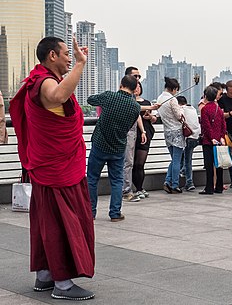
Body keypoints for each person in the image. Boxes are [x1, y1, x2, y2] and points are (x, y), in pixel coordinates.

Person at [10, 37, 95, 300]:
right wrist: (81, 65)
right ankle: (63, 284)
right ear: (52, 56)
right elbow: (58, 96)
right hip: (57, 168)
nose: (71, 57)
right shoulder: (46, 82)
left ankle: (45, 275)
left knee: (47, 221)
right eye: (68, 53)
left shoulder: (41, 79)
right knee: (63, 223)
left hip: (53, 165)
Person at [86, 75, 145, 221]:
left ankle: (90, 212)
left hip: (100, 144)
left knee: (92, 179)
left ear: (121, 84)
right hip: (118, 147)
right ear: (134, 89)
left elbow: (90, 100)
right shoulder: (135, 107)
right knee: (117, 180)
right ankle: (115, 213)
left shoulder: (109, 97)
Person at [157, 77, 185, 194]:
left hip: (167, 132)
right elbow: (179, 115)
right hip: (176, 132)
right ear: (173, 89)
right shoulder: (172, 100)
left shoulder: (160, 98)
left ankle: (168, 182)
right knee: (177, 160)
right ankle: (174, 185)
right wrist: (182, 110)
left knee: (174, 159)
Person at [199, 86, 226, 194]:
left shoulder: (205, 109)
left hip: (208, 141)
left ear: (205, 96)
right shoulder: (218, 109)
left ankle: (209, 188)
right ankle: (219, 186)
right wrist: (221, 137)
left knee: (209, 165)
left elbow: (206, 126)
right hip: (219, 140)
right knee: (218, 164)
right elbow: (223, 124)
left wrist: (211, 138)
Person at [122, 66, 144, 202]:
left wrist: (143, 131)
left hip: (133, 132)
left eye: (139, 77)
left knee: (128, 162)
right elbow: (136, 109)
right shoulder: (125, 97)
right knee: (126, 162)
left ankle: (126, 189)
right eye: (135, 77)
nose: (137, 80)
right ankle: (126, 191)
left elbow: (137, 114)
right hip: (125, 133)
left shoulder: (132, 97)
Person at [132, 81, 157, 199]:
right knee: (131, 163)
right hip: (132, 133)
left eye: (139, 87)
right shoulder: (129, 101)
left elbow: (153, 118)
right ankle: (134, 188)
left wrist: (150, 117)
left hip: (145, 133)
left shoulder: (147, 102)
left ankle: (140, 188)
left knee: (140, 163)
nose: (137, 89)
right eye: (135, 87)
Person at [177, 95, 201, 191]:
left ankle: (189, 182)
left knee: (188, 160)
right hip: (196, 138)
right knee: (184, 157)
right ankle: (183, 170)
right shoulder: (193, 109)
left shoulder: (182, 109)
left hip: (188, 138)